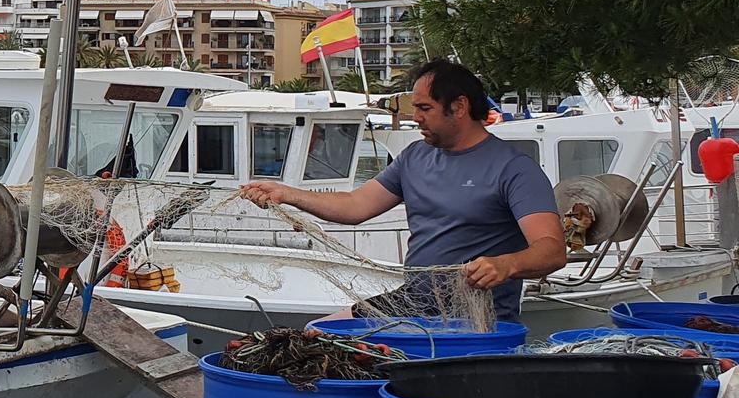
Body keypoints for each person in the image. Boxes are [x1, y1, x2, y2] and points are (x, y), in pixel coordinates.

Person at [238, 58, 564, 323]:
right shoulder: (415, 157)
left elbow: (552, 250)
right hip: (413, 305)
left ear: (460, 106)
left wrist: (507, 265)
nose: (415, 117)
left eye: (424, 108)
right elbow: (355, 206)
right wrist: (287, 194)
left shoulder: (515, 169)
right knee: (318, 332)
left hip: (479, 320)